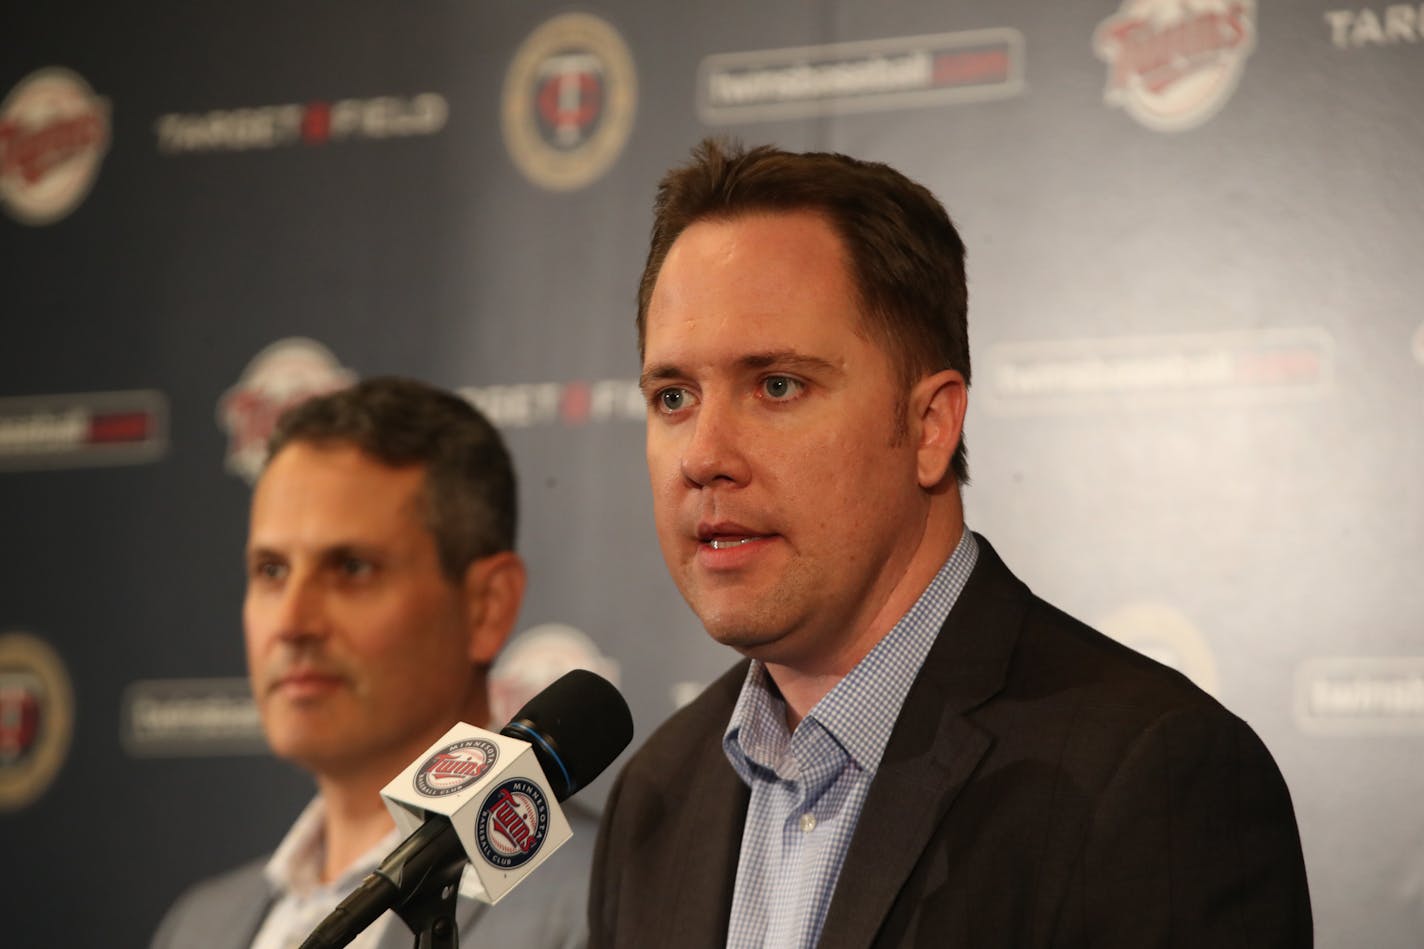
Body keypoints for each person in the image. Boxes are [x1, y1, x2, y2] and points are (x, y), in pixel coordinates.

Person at [589, 140, 1312, 948]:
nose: (703, 455)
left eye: (777, 385)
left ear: (930, 425)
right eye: (675, 396)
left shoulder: (1150, 776)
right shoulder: (656, 795)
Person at [152, 377, 592, 949]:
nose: (292, 623)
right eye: (271, 571)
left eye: (352, 569)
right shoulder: (197, 926)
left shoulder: (607, 894)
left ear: (487, 607)